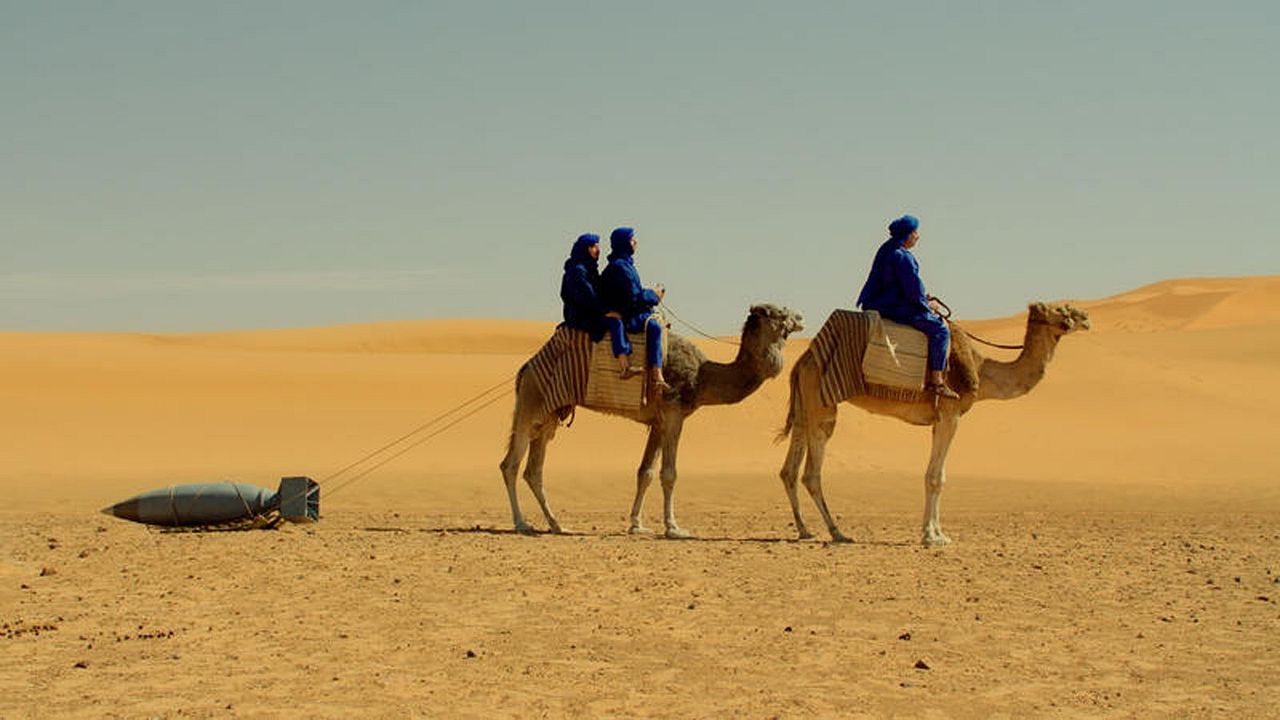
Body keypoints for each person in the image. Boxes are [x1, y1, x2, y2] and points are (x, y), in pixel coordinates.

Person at [856, 214, 959, 399]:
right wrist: (928, 305)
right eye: (915, 232)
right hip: (894, 306)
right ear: (908, 235)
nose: (918, 236)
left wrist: (923, 298)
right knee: (941, 331)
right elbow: (913, 290)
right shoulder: (903, 257)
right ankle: (937, 381)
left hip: (879, 302)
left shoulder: (887, 249)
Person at [600, 226, 669, 398]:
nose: (635, 242)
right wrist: (655, 295)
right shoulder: (620, 267)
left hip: (629, 311)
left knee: (657, 323)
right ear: (624, 243)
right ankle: (656, 374)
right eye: (632, 239)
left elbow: (634, 292)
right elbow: (634, 297)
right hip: (627, 315)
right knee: (654, 326)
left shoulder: (624, 265)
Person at [559, 233, 608, 341]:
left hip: (588, 313)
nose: (597, 250)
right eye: (593, 247)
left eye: (597, 246)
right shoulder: (578, 271)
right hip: (580, 317)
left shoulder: (589, 269)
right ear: (585, 249)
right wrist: (605, 311)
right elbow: (588, 297)